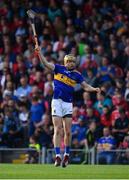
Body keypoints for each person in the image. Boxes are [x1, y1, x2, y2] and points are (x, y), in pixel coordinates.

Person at [35, 45, 100, 167]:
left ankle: (67, 155)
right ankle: (58, 156)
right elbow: (45, 64)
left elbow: (85, 86)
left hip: (68, 103)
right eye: (69, 61)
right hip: (57, 102)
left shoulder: (77, 75)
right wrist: (39, 53)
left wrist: (94, 89)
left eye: (73, 62)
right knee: (57, 129)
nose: (71, 63)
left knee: (68, 131)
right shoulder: (58, 68)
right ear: (66, 62)